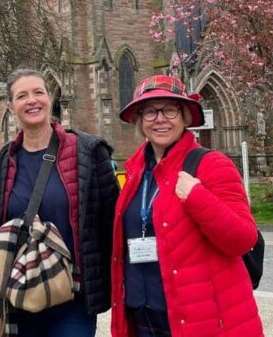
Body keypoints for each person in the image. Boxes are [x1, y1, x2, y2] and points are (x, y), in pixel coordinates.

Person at [110, 75, 262, 337]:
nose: (160, 119)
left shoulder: (212, 165)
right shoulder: (136, 172)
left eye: (170, 109)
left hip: (199, 320)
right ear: (139, 120)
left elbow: (243, 239)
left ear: (185, 117)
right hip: (142, 318)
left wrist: (197, 198)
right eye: (149, 111)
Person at [0, 69, 120, 337]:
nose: (32, 101)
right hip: (20, 294)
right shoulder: (2, 162)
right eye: (22, 95)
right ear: (10, 106)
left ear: (50, 97)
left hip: (72, 298)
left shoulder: (88, 152)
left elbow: (112, 223)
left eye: (38, 92)